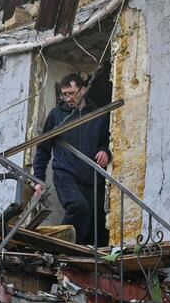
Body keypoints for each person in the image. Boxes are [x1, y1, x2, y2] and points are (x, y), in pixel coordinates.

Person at [32, 74, 112, 245]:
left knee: (95, 221)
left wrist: (105, 151)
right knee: (78, 207)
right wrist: (38, 178)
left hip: (92, 177)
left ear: (83, 90)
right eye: (64, 94)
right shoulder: (56, 115)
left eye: (72, 93)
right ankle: (61, 246)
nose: (68, 98)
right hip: (65, 173)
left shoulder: (98, 115)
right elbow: (43, 149)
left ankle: (83, 257)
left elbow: (106, 140)